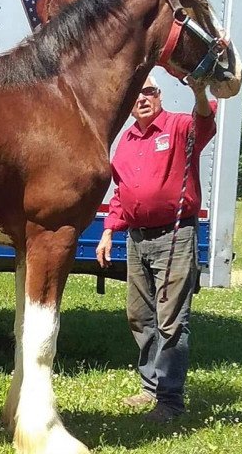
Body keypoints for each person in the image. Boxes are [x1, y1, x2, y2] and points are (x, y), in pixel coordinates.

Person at [96, 75, 217, 422]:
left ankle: (170, 401)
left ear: (159, 95)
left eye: (148, 91)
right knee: (140, 316)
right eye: (136, 93)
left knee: (171, 321)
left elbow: (205, 118)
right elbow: (121, 193)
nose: (143, 98)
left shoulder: (179, 127)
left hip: (175, 236)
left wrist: (197, 90)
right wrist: (108, 232)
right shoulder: (126, 141)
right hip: (137, 239)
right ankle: (150, 388)